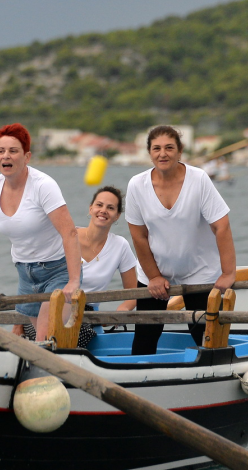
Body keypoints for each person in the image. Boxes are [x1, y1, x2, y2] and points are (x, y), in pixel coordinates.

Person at [126, 125, 236, 355]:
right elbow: (138, 235)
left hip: (199, 273)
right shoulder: (137, 184)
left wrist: (228, 273)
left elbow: (221, 225)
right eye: (156, 148)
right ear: (149, 152)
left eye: (169, 147)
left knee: (206, 340)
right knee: (144, 342)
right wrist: (154, 277)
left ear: (180, 151)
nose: (162, 153)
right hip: (153, 274)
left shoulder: (199, 179)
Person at [0, 124, 81, 341]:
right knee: (45, 342)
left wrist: (73, 281)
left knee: (43, 341)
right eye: (0, 151)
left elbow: (70, 233)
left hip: (58, 271)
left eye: (13, 151)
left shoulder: (43, 186)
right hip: (25, 275)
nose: (5, 156)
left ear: (27, 156)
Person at [22, 185, 138, 347]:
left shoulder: (120, 246)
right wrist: (18, 322)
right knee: (49, 336)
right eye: (99, 205)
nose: (103, 210)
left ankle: (47, 357)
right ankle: (43, 357)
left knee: (65, 338)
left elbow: (133, 292)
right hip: (49, 309)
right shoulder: (67, 238)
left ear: (117, 216)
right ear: (90, 209)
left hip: (86, 314)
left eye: (110, 208)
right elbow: (34, 280)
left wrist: (123, 309)